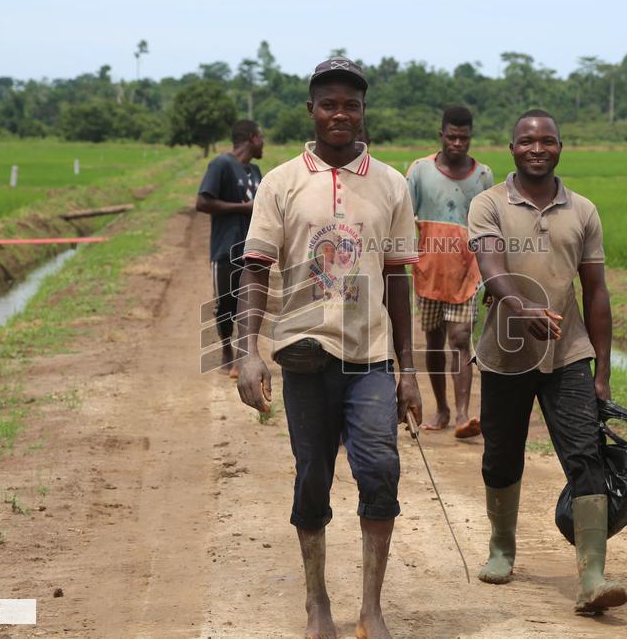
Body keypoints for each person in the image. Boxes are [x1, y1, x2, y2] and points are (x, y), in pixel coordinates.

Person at [235, 57, 422, 639]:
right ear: (311, 111)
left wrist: (409, 371)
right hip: (303, 354)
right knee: (312, 474)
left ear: (364, 112)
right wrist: (248, 351)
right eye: (329, 104)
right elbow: (255, 271)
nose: (340, 113)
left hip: (370, 359)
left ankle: (371, 607)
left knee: (380, 470)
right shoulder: (282, 181)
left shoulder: (391, 183)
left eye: (352, 104)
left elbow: (398, 280)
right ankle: (317, 602)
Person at [467, 109, 627, 613]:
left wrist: (602, 370)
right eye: (527, 142)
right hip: (505, 354)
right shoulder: (488, 203)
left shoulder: (583, 211)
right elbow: (492, 267)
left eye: (548, 141)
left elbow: (596, 292)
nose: (538, 149)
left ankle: (592, 577)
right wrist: (518, 305)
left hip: (569, 354)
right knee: (501, 455)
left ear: (561, 147)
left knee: (585, 455)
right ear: (511, 147)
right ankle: (501, 547)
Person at [406, 106, 493, 437]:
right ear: (441, 136)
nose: (458, 143)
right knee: (433, 341)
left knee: (460, 339)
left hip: (466, 272)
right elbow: (403, 219)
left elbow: (488, 227)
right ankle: (440, 408)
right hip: (428, 270)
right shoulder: (419, 172)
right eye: (452, 137)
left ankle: (461, 415)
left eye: (464, 138)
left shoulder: (482, 175)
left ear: (471, 138)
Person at [195, 119, 264, 377]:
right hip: (225, 248)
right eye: (261, 136)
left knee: (248, 303)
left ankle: (242, 356)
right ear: (251, 138)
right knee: (226, 304)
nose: (264, 142)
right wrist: (243, 208)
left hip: (252, 248)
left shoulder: (256, 171)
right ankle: (226, 348)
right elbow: (202, 202)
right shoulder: (221, 164)